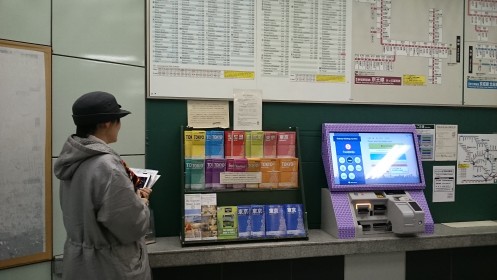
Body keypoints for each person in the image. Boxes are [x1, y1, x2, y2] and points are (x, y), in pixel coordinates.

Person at [54, 91, 152, 280]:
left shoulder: (73, 160)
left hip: (79, 263)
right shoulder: (107, 167)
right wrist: (141, 203)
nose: (120, 126)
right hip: (110, 266)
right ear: (106, 123)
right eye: (119, 119)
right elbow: (131, 226)